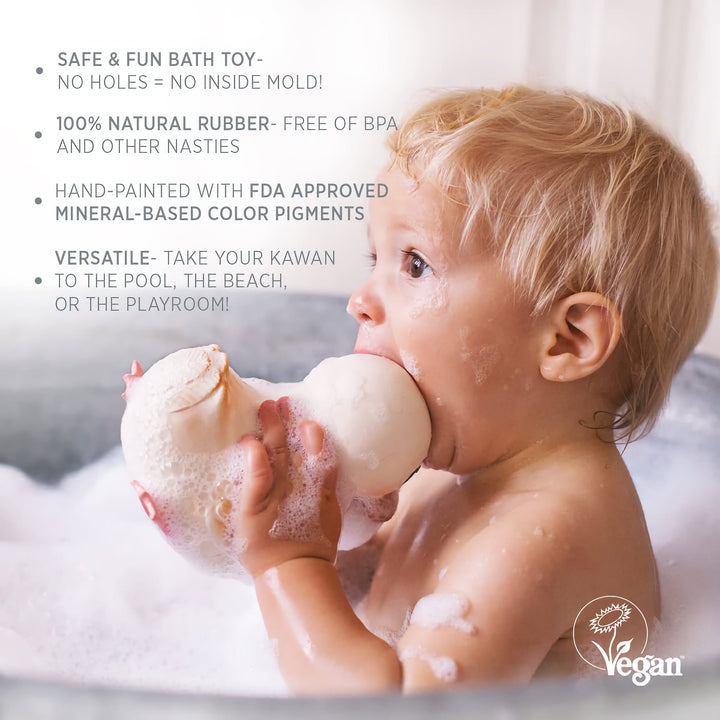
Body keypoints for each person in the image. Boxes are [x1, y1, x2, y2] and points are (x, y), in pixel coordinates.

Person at [234, 86, 718, 694]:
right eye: (374, 257)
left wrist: (285, 565)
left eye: (414, 264)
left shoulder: (546, 534)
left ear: (567, 340)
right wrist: (312, 525)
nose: (361, 299)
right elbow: (368, 584)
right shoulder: (457, 469)